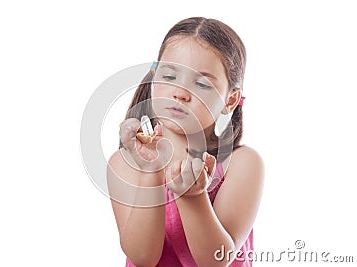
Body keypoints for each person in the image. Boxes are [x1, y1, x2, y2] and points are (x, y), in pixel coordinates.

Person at [107, 17, 264, 267]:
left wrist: (193, 195)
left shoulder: (242, 163)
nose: (180, 93)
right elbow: (143, 257)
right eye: (169, 76)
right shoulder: (124, 163)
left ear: (230, 100)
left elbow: (216, 260)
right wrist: (150, 172)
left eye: (201, 83)